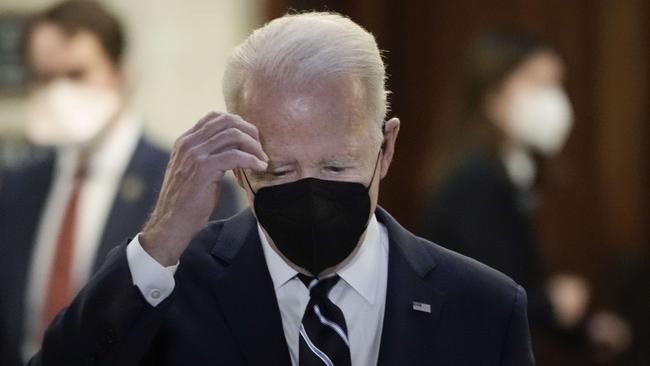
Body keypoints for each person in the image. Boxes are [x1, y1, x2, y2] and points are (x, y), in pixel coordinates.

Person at [27, 12, 534, 366]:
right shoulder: (173, 287)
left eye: (336, 167)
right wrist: (160, 239)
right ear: (238, 157)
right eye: (280, 170)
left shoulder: (483, 306)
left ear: (386, 147)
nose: (311, 193)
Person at [0, 1, 240, 365]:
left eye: (76, 74)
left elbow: (201, 326)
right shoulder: (17, 185)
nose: (59, 93)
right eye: (45, 77)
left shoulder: (187, 184)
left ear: (121, 74)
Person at [418, 32, 589, 347]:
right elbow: (491, 287)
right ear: (492, 92)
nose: (553, 100)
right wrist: (554, 305)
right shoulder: (475, 178)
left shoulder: (514, 169)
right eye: (538, 84)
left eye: (556, 84)